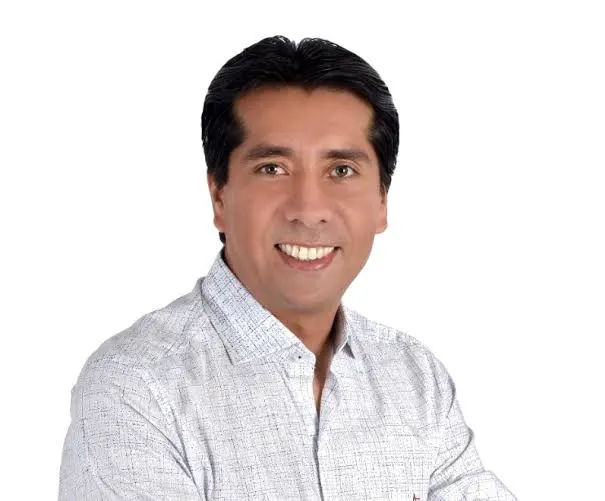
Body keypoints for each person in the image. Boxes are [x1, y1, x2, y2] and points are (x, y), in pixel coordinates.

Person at [59, 35, 516, 500]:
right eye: (273, 169)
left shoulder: (414, 377)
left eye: (341, 170)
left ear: (381, 202)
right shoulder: (136, 387)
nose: (308, 210)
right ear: (219, 196)